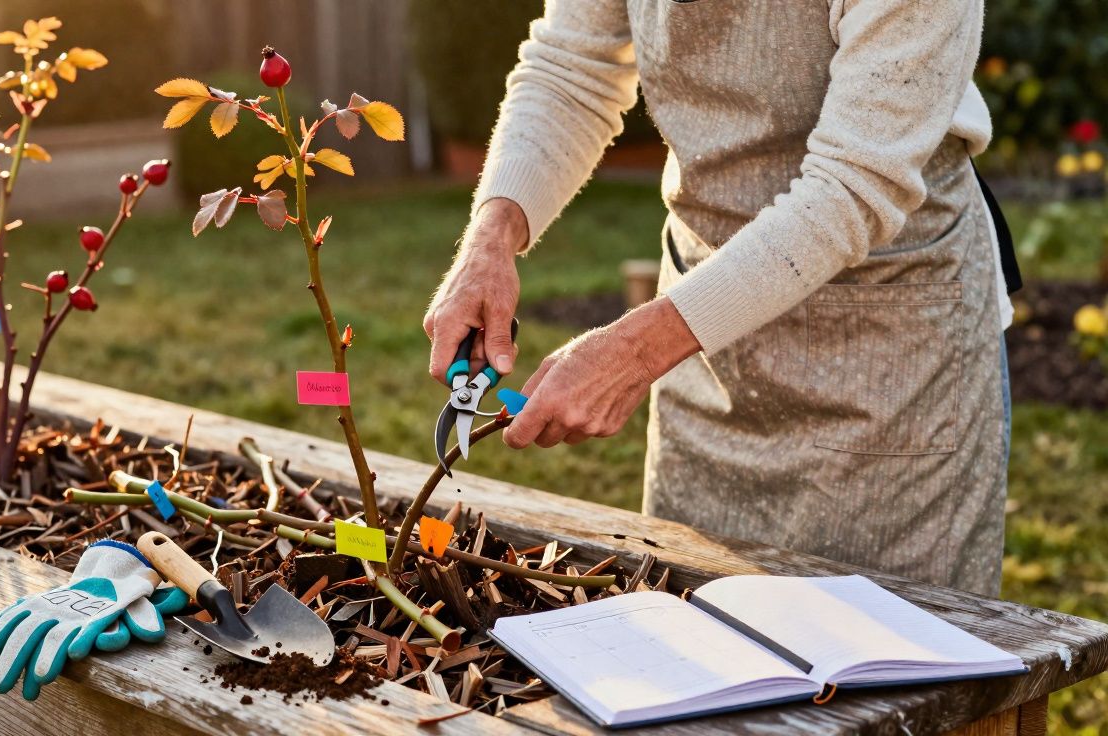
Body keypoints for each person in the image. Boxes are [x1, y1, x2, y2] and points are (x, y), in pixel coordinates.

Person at [423, 0, 1013, 596]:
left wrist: (635, 351)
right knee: (694, 619)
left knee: (890, 649)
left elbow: (855, 184)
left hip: (883, 347)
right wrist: (490, 239)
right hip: (699, 332)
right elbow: (569, 69)